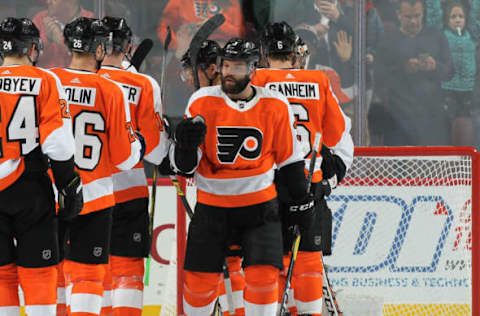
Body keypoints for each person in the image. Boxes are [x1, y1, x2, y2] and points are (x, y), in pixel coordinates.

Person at [170, 37, 315, 316]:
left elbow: (290, 162)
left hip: (260, 209)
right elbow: (186, 168)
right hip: (212, 208)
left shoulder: (275, 104)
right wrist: (185, 147)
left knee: (263, 278)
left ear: (252, 70)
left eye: (237, 67)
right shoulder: (202, 101)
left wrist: (300, 199)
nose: (228, 73)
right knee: (198, 285)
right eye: (225, 66)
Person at [252, 22, 354, 316]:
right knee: (309, 260)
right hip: (310, 181)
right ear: (296, 53)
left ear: (263, 52)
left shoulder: (256, 80)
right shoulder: (319, 80)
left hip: (269, 183)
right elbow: (335, 136)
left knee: (270, 262)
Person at [50, 17, 144, 316]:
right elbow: (125, 159)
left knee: (50, 273)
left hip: (52, 194)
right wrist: (138, 141)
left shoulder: (49, 80)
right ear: (101, 49)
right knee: (87, 276)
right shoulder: (110, 89)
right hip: (95, 196)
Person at [0, 17, 82, 316]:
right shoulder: (46, 80)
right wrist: (68, 185)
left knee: (1, 275)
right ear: (33, 48)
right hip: (30, 187)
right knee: (39, 271)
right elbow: (58, 143)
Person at [97, 16, 170, 316]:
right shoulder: (143, 83)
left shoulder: (73, 79)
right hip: (128, 193)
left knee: (86, 272)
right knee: (126, 272)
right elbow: (156, 152)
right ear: (128, 46)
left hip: (85, 192)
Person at [179, 39, 246, 316]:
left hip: (228, 199)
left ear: (210, 68)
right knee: (231, 264)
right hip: (248, 198)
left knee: (222, 265)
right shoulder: (243, 94)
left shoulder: (208, 101)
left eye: (190, 72)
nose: (188, 79)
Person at [373, 0, 454, 145]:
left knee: (433, 164)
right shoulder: (388, 40)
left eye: (417, 16)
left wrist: (435, 66)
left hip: (433, 116)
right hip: (399, 116)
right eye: (408, 17)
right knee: (400, 165)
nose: (413, 21)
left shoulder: (436, 36)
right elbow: (379, 76)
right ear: (398, 15)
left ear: (423, 14)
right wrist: (404, 69)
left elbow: (450, 72)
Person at [440, 1, 477, 145]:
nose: (457, 20)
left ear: (466, 19)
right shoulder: (443, 35)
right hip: (448, 89)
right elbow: (434, 13)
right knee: (449, 127)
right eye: (453, 16)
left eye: (460, 16)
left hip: (468, 90)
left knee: (467, 129)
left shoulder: (472, 36)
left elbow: (476, 14)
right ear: (447, 20)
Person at [32, 0, 94, 68]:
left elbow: (91, 61)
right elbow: (29, 57)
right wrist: (47, 39)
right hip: (47, 76)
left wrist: (61, 41)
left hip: (78, 77)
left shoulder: (91, 21)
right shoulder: (40, 18)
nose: (48, 2)